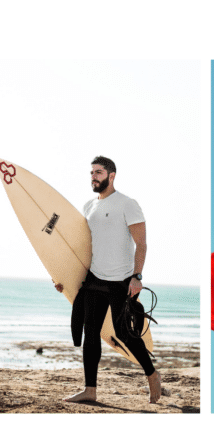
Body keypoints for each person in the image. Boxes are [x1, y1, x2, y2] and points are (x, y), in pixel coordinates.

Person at [56, 155, 161, 404]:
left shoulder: (127, 204)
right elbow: (81, 248)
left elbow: (142, 244)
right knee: (90, 333)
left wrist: (136, 277)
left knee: (125, 334)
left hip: (120, 281)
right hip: (94, 278)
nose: (94, 176)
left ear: (111, 176)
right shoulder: (88, 207)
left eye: (99, 172)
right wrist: (65, 277)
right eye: (92, 172)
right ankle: (90, 390)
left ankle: (152, 374)